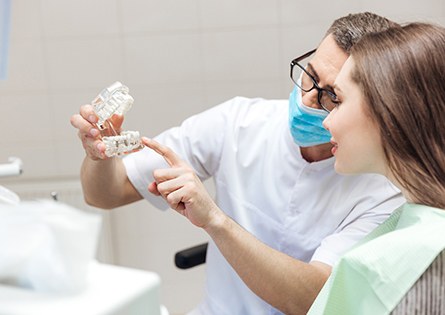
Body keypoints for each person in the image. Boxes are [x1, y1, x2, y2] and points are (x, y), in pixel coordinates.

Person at [70, 12, 405, 315]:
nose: (307, 99)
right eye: (309, 74)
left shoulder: (385, 189)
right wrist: (97, 156)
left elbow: (314, 300)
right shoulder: (240, 122)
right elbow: (105, 194)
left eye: (332, 95)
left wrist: (215, 220)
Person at [306, 22, 445, 314]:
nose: (326, 120)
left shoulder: (420, 260)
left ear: (389, 109)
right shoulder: (412, 218)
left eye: (338, 100)